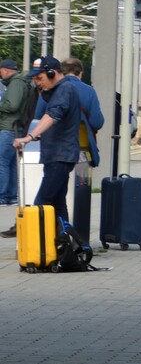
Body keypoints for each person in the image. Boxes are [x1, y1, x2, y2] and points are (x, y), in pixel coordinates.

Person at [1, 56, 82, 237]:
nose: (37, 83)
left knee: (41, 202)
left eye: (40, 78)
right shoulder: (56, 90)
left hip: (61, 156)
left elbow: (52, 116)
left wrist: (30, 136)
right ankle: (66, 246)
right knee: (59, 205)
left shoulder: (64, 90)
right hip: (56, 155)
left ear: (52, 73)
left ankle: (39, 247)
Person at [0, 59, 29, 206]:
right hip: (15, 127)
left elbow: (12, 105)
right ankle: (11, 196)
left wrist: (0, 105)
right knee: (10, 163)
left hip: (9, 127)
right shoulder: (20, 82)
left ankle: (2, 196)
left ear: (6, 70)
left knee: (2, 162)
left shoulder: (16, 83)